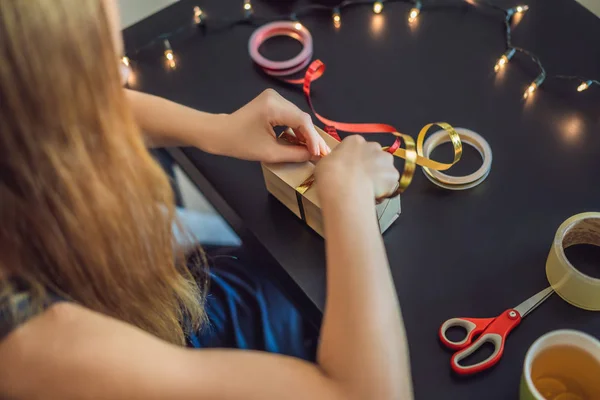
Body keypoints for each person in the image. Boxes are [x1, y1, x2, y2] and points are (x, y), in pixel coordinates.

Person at [0, 0, 413, 399]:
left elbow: (73, 109)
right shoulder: (34, 347)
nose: (118, 86)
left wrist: (215, 129)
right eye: (105, 74)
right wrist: (347, 199)